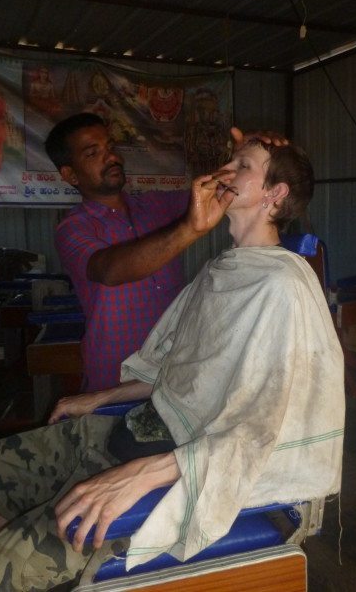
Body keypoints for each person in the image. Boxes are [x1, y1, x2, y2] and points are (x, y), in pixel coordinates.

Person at [0, 135, 345, 591]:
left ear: (274, 194)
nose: (226, 169)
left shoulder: (281, 286)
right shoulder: (225, 270)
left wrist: (141, 474)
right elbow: (188, 374)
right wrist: (102, 396)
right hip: (141, 426)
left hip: (178, 463)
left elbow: (260, 428)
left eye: (242, 165)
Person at [46, 112, 237, 392]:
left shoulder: (155, 205)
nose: (111, 157)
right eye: (92, 152)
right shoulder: (73, 229)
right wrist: (189, 230)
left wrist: (249, 156)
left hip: (172, 369)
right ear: (70, 174)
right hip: (115, 378)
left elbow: (216, 191)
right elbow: (110, 270)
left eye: (110, 147)